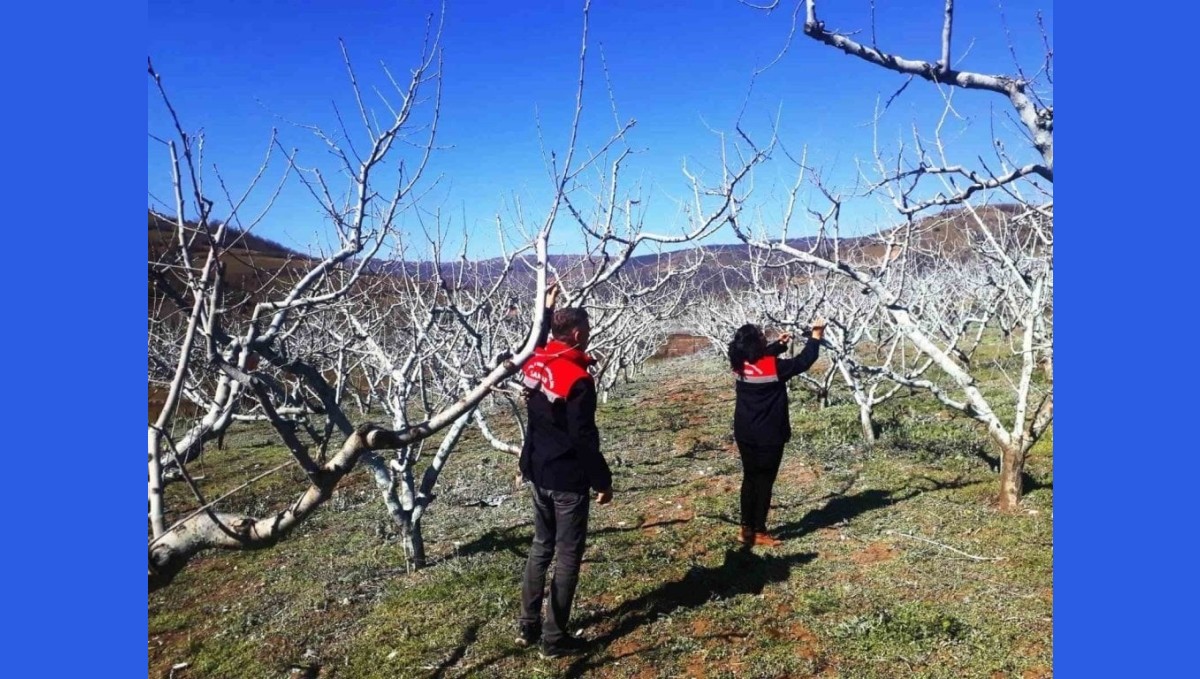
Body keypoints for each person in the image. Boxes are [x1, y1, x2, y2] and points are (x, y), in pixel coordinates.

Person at [514, 285, 614, 659]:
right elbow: (584, 437)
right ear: (576, 334)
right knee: (568, 555)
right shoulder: (578, 380)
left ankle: (528, 625)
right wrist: (602, 480)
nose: (588, 336)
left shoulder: (536, 362)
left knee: (541, 547)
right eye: (585, 331)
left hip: (537, 469)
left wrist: (545, 309)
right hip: (567, 478)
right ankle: (554, 639)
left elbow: (536, 344)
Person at [727, 320, 826, 547]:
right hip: (769, 434)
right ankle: (759, 532)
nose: (764, 338)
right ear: (756, 345)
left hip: (745, 432)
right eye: (762, 336)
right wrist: (816, 335)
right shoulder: (774, 368)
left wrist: (778, 346)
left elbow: (759, 359)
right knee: (764, 481)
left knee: (750, 478)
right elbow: (804, 361)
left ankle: (746, 529)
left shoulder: (739, 362)